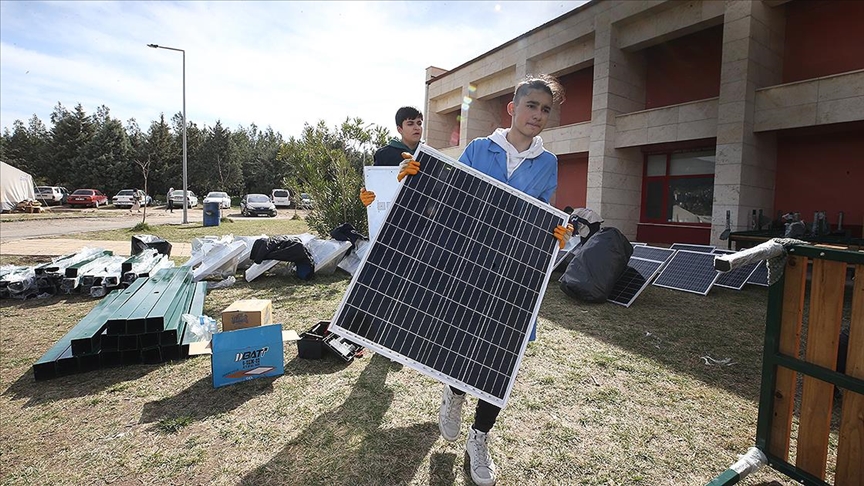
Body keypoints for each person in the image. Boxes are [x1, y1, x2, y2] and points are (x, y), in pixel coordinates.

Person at [395, 74, 570, 486]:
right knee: (464, 345)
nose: (539, 116)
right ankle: (454, 395)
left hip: (513, 275)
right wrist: (416, 176)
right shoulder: (478, 149)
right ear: (513, 108)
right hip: (470, 267)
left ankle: (480, 437)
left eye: (546, 110)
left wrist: (556, 237)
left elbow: (540, 216)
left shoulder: (549, 163)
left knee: (499, 360)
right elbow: (453, 198)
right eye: (532, 106)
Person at [359, 106, 423, 206]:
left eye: (419, 123)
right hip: (394, 214)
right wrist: (368, 195)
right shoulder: (384, 155)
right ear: (399, 129)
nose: (417, 127)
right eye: (410, 123)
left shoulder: (429, 156)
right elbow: (377, 186)